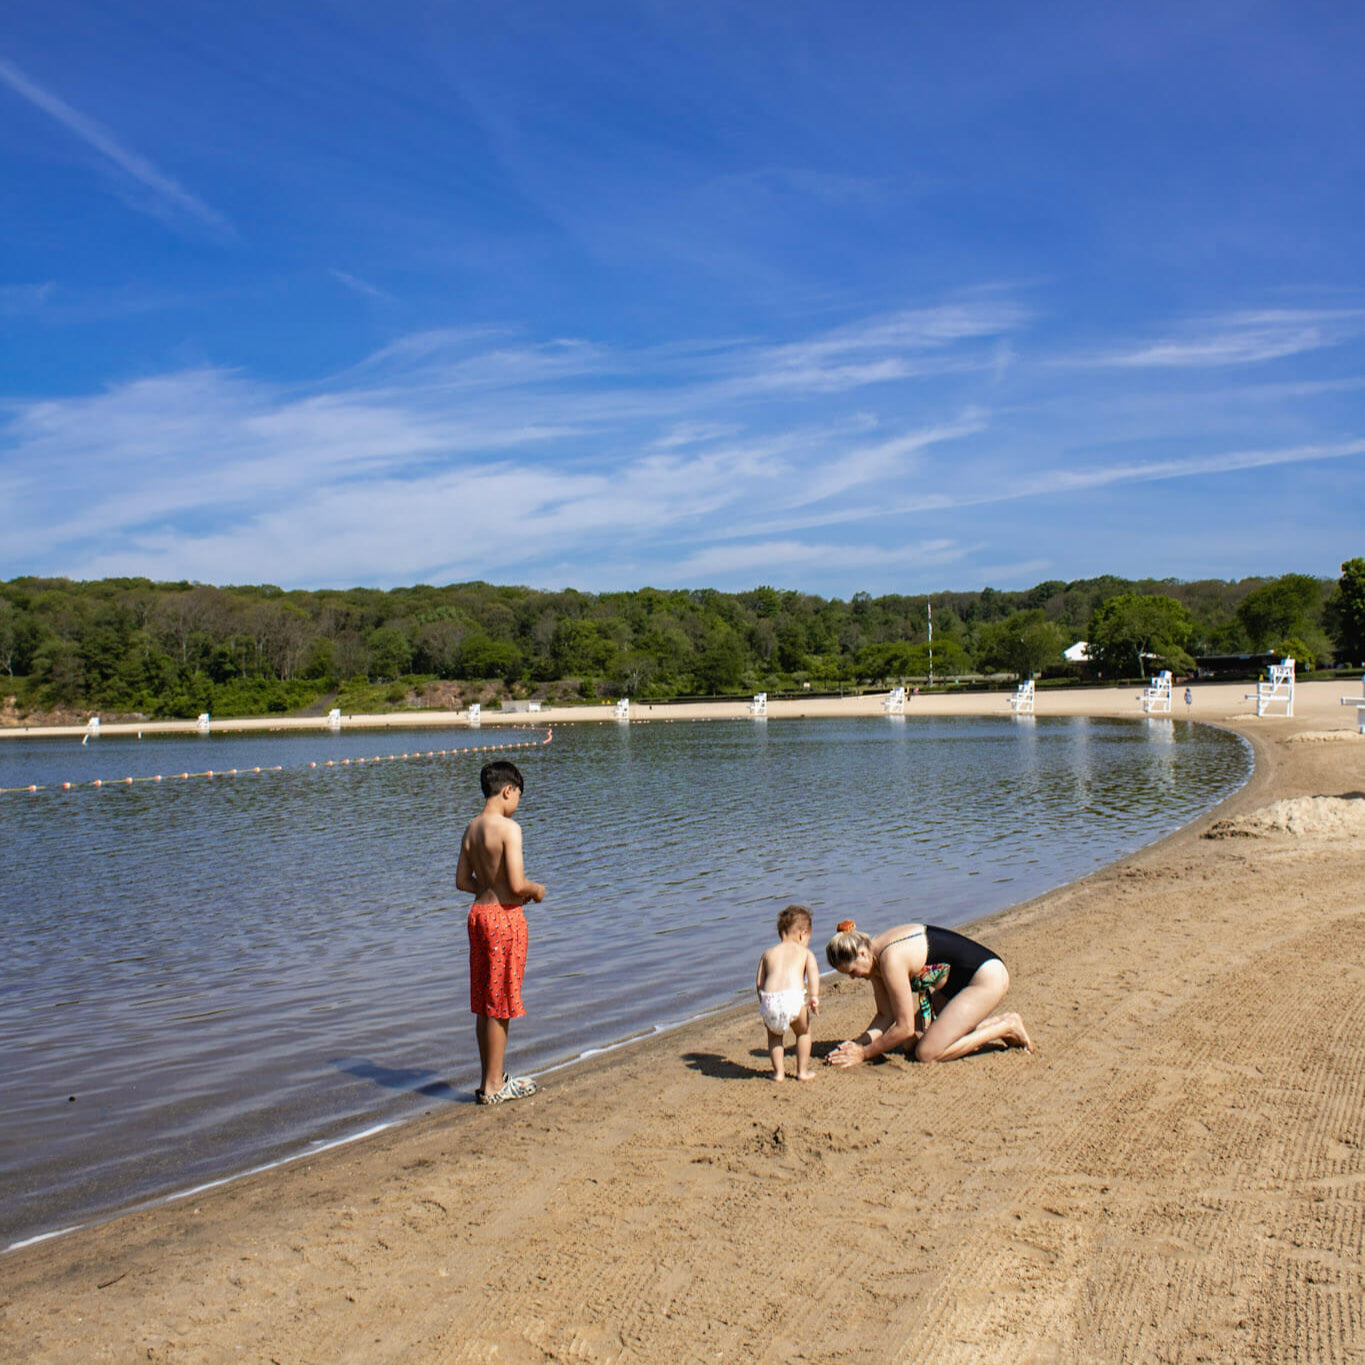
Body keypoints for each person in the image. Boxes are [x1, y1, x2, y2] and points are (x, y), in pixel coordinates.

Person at [456, 759, 547, 1105]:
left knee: (484, 1002)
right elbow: (517, 882)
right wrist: (536, 891)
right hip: (504, 921)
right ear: (508, 790)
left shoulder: (471, 827)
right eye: (518, 796)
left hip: (478, 915)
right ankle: (495, 1086)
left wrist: (487, 888)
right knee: (502, 1003)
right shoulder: (509, 829)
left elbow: (463, 881)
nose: (517, 804)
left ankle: (488, 1079)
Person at [824, 920, 1031, 1067]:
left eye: (852, 971)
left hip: (985, 979)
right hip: (954, 987)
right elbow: (885, 1016)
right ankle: (987, 1027)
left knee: (927, 1052)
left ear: (861, 954)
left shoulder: (891, 959)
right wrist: (857, 1044)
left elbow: (904, 1027)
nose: (853, 977)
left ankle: (1007, 1026)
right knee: (912, 1042)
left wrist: (864, 1054)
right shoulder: (873, 957)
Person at [755, 904, 822, 1081]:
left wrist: (764, 1005)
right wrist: (814, 997)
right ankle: (802, 1071)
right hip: (793, 999)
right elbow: (813, 975)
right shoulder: (805, 952)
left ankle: (778, 1073)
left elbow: (759, 982)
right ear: (803, 935)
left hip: (770, 1000)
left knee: (775, 1038)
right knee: (803, 1033)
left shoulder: (768, 954)